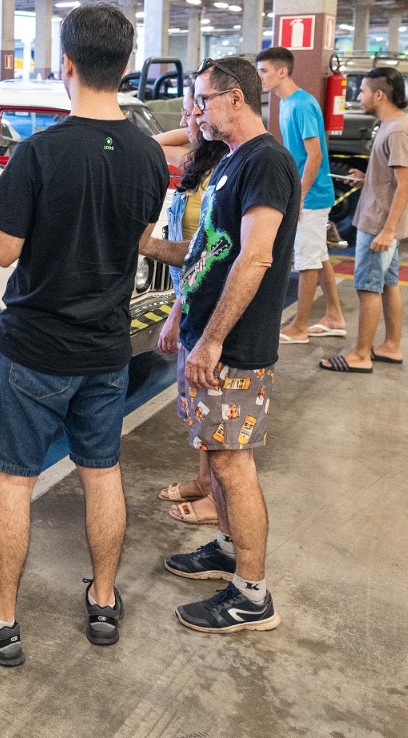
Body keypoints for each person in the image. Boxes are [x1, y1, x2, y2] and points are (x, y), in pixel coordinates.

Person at [0, 4, 167, 664]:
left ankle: (4, 620)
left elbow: (2, 251)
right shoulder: (147, 154)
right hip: (105, 347)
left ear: (65, 66)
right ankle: (103, 602)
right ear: (128, 66)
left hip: (34, 350)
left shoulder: (40, 152)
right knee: (102, 475)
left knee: (14, 482)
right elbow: (138, 240)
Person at [140, 55, 297, 634]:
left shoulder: (267, 163)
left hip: (234, 348)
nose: (197, 113)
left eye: (203, 101)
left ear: (236, 98)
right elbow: (208, 252)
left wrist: (210, 341)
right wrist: (178, 311)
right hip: (205, 338)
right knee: (216, 457)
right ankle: (229, 549)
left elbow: (255, 256)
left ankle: (252, 596)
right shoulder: (231, 163)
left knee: (232, 464)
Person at [154, 94, 230, 529]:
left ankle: (214, 500)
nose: (187, 120)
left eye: (196, 108)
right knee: (193, 400)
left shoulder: (224, 169)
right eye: (184, 112)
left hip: (200, 299)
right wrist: (193, 121)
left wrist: (175, 313)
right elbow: (151, 141)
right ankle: (204, 482)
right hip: (190, 292)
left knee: (207, 402)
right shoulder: (199, 161)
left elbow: (207, 250)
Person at [319, 67, 408, 374]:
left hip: (378, 226)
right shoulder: (392, 126)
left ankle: (361, 354)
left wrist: (387, 230)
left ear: (379, 94)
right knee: (388, 284)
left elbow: (406, 184)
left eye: (362, 91)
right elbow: (392, 178)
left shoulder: (397, 130)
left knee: (368, 287)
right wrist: (368, 179)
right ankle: (391, 346)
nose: (358, 97)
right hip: (380, 222)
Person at [256, 47, 347, 342]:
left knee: (306, 260)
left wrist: (300, 195)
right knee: (318, 255)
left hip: (312, 195)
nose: (260, 77)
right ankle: (334, 315)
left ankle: (299, 327)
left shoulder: (302, 105)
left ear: (282, 71)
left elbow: (315, 155)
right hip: (307, 193)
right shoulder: (285, 104)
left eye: (264, 71)